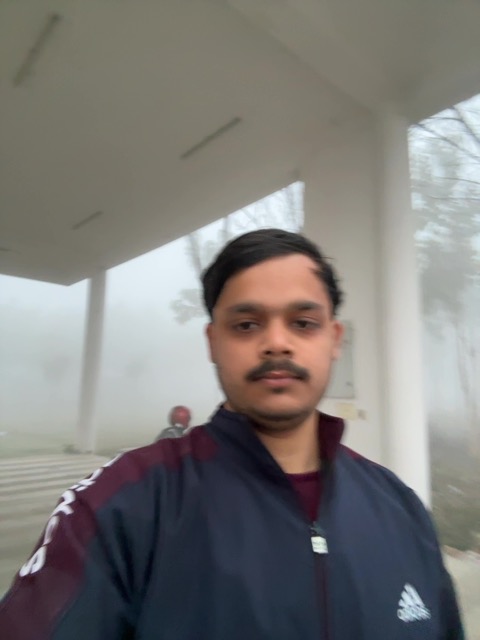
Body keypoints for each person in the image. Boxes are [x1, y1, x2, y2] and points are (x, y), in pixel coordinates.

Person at [0, 229, 464, 639]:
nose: (276, 342)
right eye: (247, 325)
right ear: (213, 342)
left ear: (334, 339)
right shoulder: (119, 505)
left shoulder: (400, 509)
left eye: (303, 323)